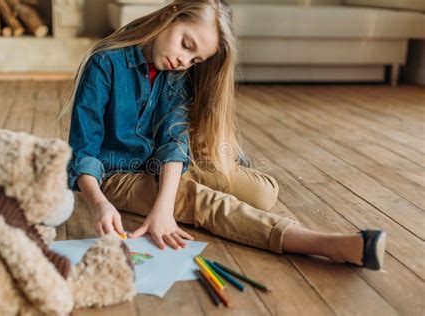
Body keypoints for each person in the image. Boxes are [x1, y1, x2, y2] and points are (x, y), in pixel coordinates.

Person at [60, 0, 386, 270]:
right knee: (203, 201)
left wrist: (163, 207)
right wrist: (100, 203)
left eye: (195, 59)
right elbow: (84, 151)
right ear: (167, 16)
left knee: (263, 192)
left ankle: (178, 192)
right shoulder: (105, 63)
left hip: (158, 162)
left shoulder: (175, 71)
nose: (183, 61)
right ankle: (324, 244)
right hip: (115, 174)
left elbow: (174, 142)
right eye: (186, 45)